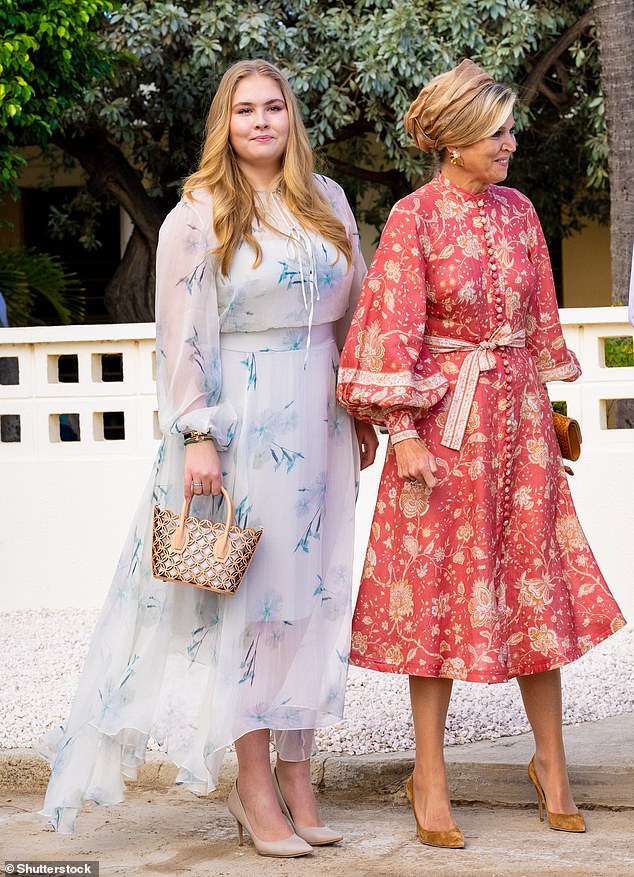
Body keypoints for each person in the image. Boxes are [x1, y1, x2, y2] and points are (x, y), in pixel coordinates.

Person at [39, 59, 377, 856]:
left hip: (322, 425)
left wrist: (361, 405)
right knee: (252, 607)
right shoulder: (200, 211)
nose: (261, 122)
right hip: (246, 424)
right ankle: (254, 787)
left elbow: (358, 311)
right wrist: (198, 434)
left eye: (274, 109)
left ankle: (300, 776)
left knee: (314, 598)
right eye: (245, 110)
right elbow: (182, 334)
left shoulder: (328, 200)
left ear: (292, 118)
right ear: (225, 123)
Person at [337, 59, 626, 850]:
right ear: (456, 138)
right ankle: (429, 775)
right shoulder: (412, 219)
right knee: (435, 594)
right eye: (496, 131)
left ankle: (552, 764)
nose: (510, 142)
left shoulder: (521, 211)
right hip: (441, 431)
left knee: (535, 582)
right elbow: (390, 329)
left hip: (519, 427)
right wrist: (402, 437)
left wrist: (548, 419)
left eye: (508, 128)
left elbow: (536, 325)